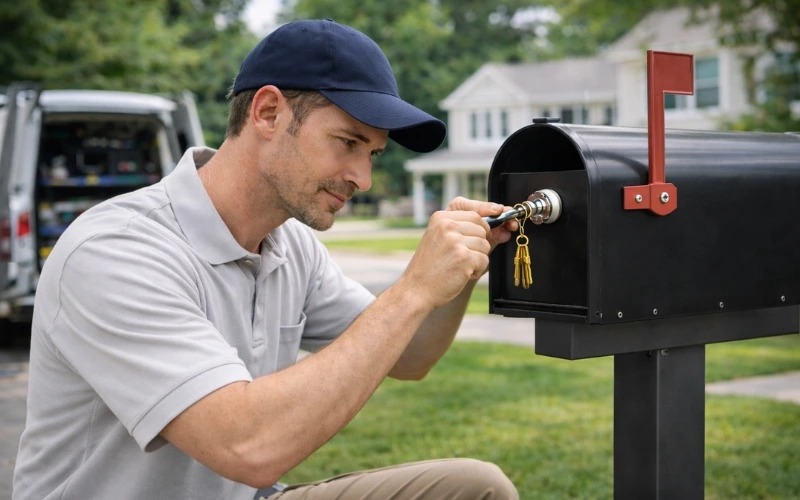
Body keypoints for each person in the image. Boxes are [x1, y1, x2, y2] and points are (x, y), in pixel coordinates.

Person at [13, 19, 519, 500]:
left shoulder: (289, 245)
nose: (362, 178)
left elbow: (411, 356)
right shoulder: (116, 250)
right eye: (348, 142)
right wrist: (411, 289)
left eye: (373, 155)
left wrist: (459, 270)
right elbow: (248, 446)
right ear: (268, 113)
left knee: (476, 487)